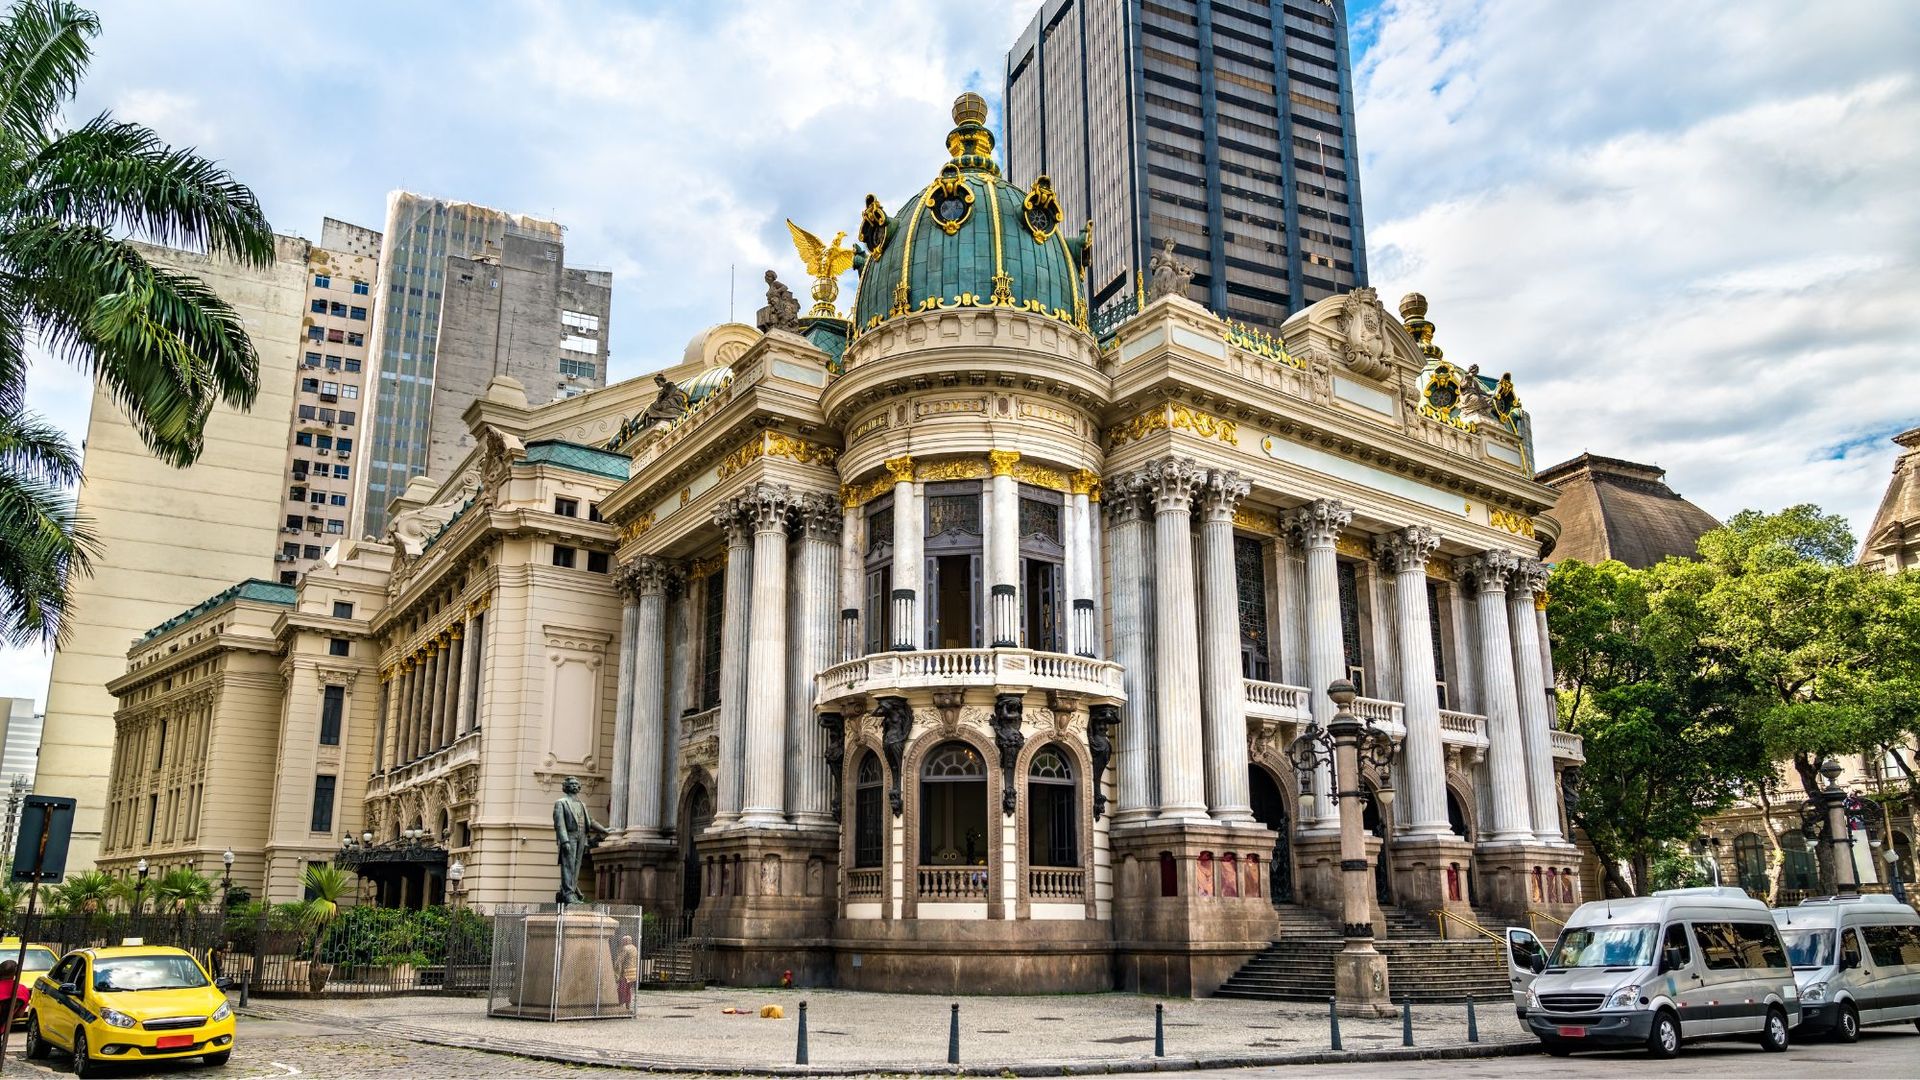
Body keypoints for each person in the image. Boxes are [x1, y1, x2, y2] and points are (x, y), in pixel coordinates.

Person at [615, 934, 639, 1008]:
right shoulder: (635, 948)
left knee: (622, 989)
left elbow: (619, 961)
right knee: (629, 989)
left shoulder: (625, 948)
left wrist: (617, 973)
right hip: (633, 972)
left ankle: (621, 1004)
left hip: (625, 972)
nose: (622, 942)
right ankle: (628, 1004)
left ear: (626, 941)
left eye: (623, 940)